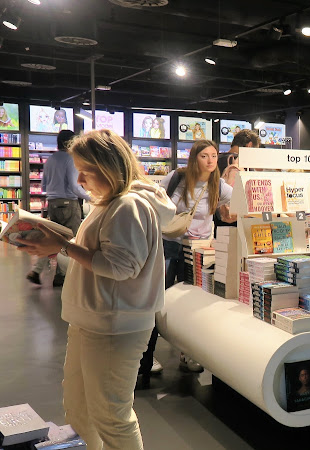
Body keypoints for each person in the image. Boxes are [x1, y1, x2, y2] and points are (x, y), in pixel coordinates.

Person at [15, 129, 176, 450]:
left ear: (109, 167)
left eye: (86, 172)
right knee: (80, 406)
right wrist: (60, 247)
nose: (81, 180)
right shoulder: (111, 203)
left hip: (115, 325)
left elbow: (120, 266)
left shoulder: (128, 205)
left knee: (111, 415)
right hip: (95, 320)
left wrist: (62, 245)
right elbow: (104, 255)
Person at [138, 139, 236, 381]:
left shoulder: (219, 185)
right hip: (170, 245)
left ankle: (187, 353)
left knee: (191, 302)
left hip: (199, 251)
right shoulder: (176, 178)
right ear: (195, 158)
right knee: (157, 299)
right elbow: (152, 201)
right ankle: (146, 357)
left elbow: (237, 207)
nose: (211, 160)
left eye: (214, 155)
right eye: (205, 156)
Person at [27, 130, 91, 286]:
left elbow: (43, 186)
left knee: (51, 237)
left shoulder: (49, 160)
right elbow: (74, 187)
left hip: (53, 204)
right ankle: (61, 275)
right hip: (69, 204)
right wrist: (92, 197)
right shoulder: (70, 159)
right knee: (71, 240)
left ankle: (36, 270)